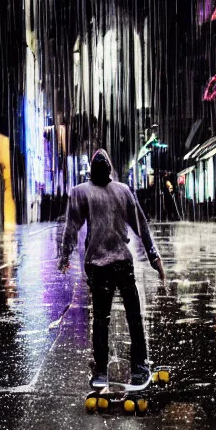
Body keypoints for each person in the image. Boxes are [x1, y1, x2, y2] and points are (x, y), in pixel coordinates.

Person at [58, 148, 165, 388]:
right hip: (113, 266)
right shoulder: (114, 191)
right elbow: (141, 227)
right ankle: (134, 366)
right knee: (128, 318)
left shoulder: (86, 192)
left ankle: (110, 369)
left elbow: (72, 228)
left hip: (104, 266)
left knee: (106, 321)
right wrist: (153, 256)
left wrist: (64, 256)